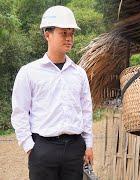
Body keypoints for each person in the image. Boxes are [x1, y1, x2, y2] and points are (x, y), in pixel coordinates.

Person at [11, 5, 93, 180]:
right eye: (64, 33)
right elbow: (20, 112)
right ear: (47, 34)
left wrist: (88, 144)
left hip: (74, 148)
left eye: (71, 33)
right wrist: (30, 146)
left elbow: (86, 110)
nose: (69, 38)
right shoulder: (29, 72)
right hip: (42, 149)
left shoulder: (79, 73)